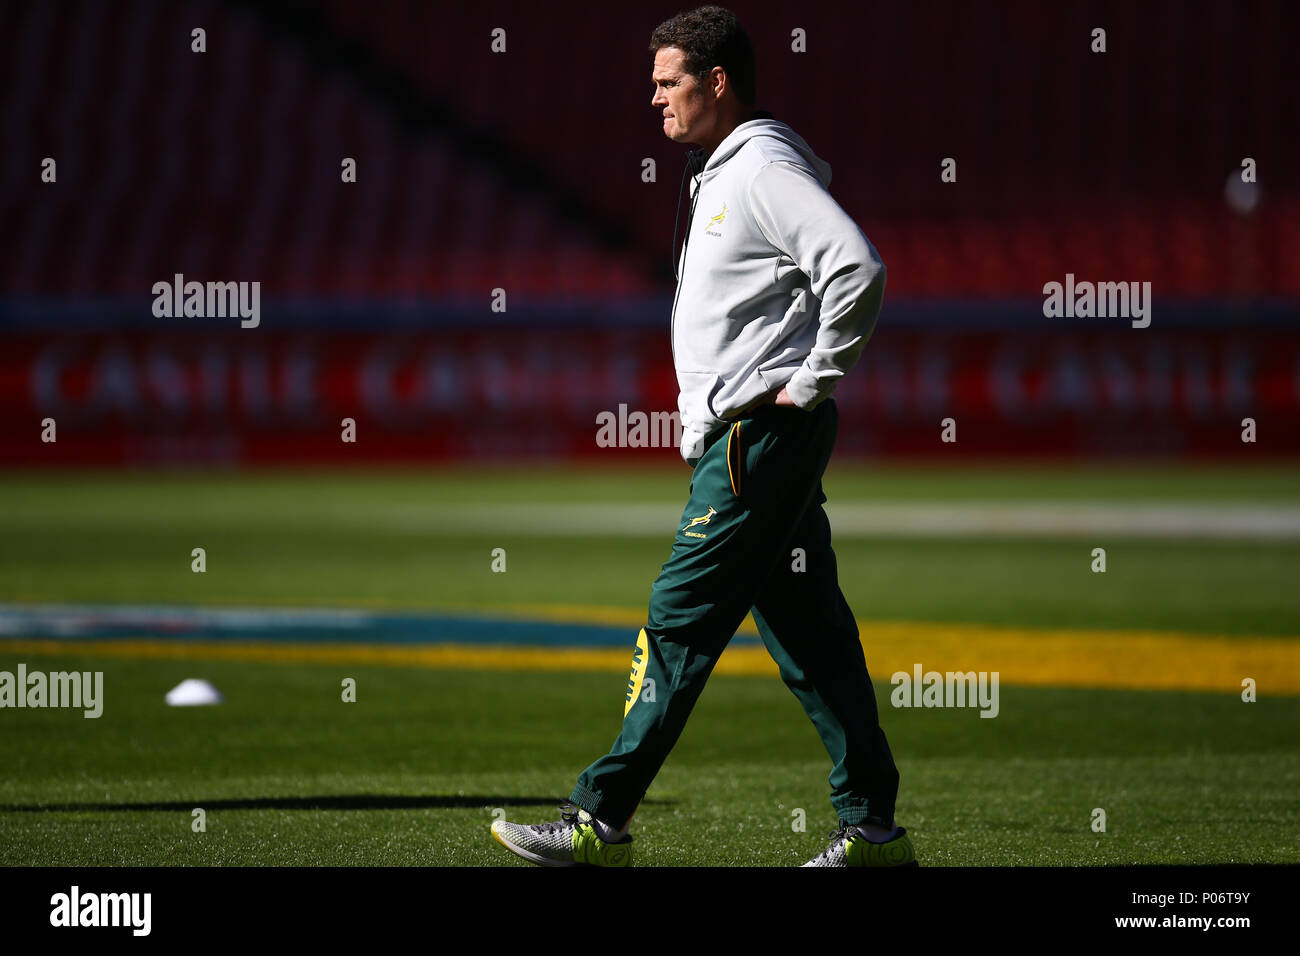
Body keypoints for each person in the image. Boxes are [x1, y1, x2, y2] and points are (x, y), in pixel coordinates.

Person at [491, 5, 912, 868]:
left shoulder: (757, 169)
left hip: (756, 441)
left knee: (675, 622)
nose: (654, 100)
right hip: (759, 441)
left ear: (717, 81)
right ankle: (873, 832)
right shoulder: (728, 169)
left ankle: (596, 820)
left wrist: (812, 378)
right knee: (812, 637)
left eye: (668, 81)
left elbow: (856, 266)